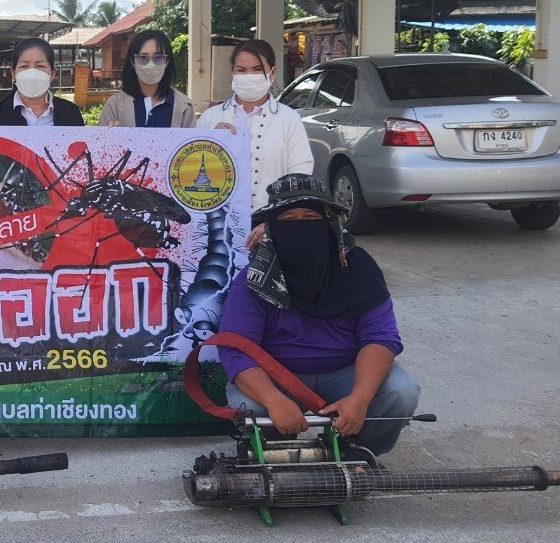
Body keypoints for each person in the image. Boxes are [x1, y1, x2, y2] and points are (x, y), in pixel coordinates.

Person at [216, 174, 419, 458]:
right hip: (280, 377)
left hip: (345, 373)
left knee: (401, 391)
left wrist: (360, 399)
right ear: (272, 227)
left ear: (329, 224)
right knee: (248, 405)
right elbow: (235, 349)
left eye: (311, 217)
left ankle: (360, 450)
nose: (301, 227)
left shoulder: (360, 271)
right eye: (288, 220)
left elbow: (381, 337)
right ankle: (270, 449)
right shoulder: (254, 279)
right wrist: (274, 400)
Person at [196, 38, 312, 246]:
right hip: (217, 228)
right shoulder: (210, 118)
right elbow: (190, 174)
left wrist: (272, 223)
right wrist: (211, 142)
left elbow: (300, 180)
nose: (249, 76)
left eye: (257, 69)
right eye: (242, 70)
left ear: (272, 73)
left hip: (273, 227)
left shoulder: (289, 119)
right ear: (232, 72)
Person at [97, 29, 197, 128]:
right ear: (133, 61)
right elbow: (99, 142)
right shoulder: (115, 105)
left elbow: (191, 143)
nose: (150, 64)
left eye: (158, 58)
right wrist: (110, 137)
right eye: (143, 57)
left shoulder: (184, 107)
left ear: (166, 61)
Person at [0, 38, 84, 126]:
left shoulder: (71, 112)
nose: (32, 73)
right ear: (13, 74)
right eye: (24, 66)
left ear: (52, 74)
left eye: (40, 66)